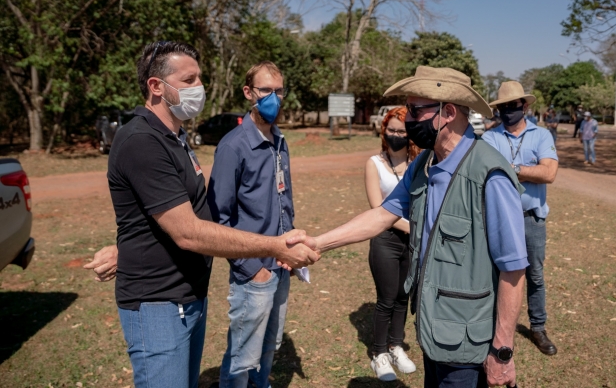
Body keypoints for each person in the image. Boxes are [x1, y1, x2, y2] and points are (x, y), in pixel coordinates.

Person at [83, 42, 318, 388]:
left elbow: (176, 211)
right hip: (158, 305)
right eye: (189, 79)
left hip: (187, 296)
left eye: (200, 78)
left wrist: (126, 249)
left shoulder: (175, 138)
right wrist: (275, 248)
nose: (199, 88)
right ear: (156, 86)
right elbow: (188, 231)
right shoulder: (141, 140)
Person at [290, 66, 527, 388]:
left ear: (449, 112)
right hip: (434, 330)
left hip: (468, 345)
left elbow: (513, 270)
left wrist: (502, 351)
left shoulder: (490, 175)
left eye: (416, 110)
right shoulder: (424, 164)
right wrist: (318, 243)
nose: (409, 119)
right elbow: (382, 215)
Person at [206, 62, 303, 388]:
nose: (273, 98)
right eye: (266, 91)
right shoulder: (233, 146)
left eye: (279, 91)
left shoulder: (279, 142)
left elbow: (283, 199)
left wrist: (290, 248)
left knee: (269, 346)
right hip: (253, 271)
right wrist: (250, 267)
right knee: (243, 354)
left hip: (281, 262)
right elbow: (217, 217)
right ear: (249, 93)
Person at [482, 81, 559, 357]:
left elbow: (549, 173)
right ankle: (493, 327)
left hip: (531, 218)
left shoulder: (542, 136)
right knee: (496, 273)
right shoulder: (490, 138)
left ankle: (538, 327)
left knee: (534, 275)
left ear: (524, 106)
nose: (507, 111)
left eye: (512, 106)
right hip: (499, 218)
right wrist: (528, 170)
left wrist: (512, 168)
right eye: (502, 107)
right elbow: (485, 172)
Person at [364, 107, 420, 381]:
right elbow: (377, 207)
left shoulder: (418, 162)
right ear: (384, 131)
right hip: (385, 239)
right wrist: (413, 228)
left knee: (402, 297)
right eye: (392, 130)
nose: (396, 135)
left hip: (411, 242)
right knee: (386, 299)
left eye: (402, 131)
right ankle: (379, 354)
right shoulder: (374, 163)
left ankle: (396, 346)